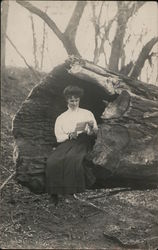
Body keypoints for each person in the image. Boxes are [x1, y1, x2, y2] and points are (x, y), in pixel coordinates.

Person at [45, 85, 98, 205]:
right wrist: (69, 136)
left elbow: (95, 133)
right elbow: (59, 137)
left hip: (83, 141)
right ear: (67, 100)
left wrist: (90, 128)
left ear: (79, 100)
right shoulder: (61, 117)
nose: (74, 103)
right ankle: (53, 194)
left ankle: (69, 193)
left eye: (76, 100)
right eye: (71, 100)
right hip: (67, 142)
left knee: (73, 158)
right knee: (53, 161)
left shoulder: (87, 113)